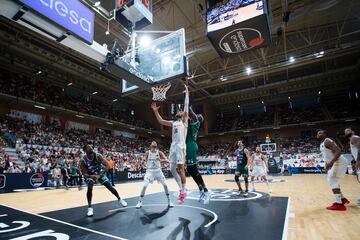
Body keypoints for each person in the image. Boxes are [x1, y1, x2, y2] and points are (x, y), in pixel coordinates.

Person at [151, 84, 189, 204]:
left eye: (181, 111)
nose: (180, 111)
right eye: (179, 111)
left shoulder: (184, 122)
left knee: (181, 169)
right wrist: (156, 112)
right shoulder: (173, 123)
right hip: (173, 147)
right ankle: (182, 188)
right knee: (172, 168)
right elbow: (161, 121)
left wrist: (187, 94)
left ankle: (183, 191)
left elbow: (186, 106)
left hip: (180, 147)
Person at [78, 144, 127, 217]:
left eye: (91, 146)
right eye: (88, 147)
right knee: (90, 185)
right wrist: (92, 176)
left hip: (99, 173)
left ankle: (120, 199)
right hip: (90, 175)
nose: (91, 148)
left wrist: (99, 175)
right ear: (85, 150)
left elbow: (107, 165)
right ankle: (90, 208)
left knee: (109, 186)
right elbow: (84, 173)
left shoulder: (98, 156)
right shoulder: (83, 160)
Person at [317, 130, 349, 211]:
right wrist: (326, 165)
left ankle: (339, 204)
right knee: (331, 179)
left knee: (332, 179)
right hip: (335, 162)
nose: (318, 134)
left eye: (321, 133)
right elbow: (327, 156)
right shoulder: (322, 144)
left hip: (339, 161)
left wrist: (331, 163)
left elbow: (338, 151)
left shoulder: (327, 141)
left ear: (325, 134)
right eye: (317, 133)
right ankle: (342, 199)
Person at [136, 141, 174, 209]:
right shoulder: (148, 152)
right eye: (153, 146)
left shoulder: (159, 152)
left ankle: (169, 201)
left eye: (155, 146)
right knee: (144, 186)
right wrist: (143, 161)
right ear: (151, 146)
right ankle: (140, 201)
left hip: (158, 171)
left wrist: (160, 160)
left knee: (165, 185)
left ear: (156, 147)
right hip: (149, 171)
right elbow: (144, 159)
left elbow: (167, 160)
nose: (154, 148)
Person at [186, 106, 210, 204]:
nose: (192, 118)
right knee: (190, 170)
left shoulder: (196, 123)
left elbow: (194, 117)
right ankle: (200, 190)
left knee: (194, 170)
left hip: (191, 146)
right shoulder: (191, 124)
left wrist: (189, 108)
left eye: (193, 118)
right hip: (188, 146)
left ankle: (206, 191)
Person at [344, 127, 360, 205]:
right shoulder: (353, 139)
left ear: (352, 131)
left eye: (348, 130)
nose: (346, 132)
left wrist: (358, 161)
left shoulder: (354, 138)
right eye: (345, 131)